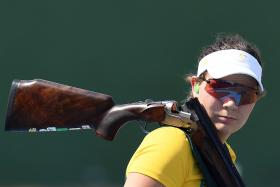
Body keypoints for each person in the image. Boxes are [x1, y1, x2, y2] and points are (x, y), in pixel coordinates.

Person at [124, 34, 265, 187]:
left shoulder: (225, 155)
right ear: (195, 85)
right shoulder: (172, 142)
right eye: (219, 87)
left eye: (247, 94)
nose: (231, 103)